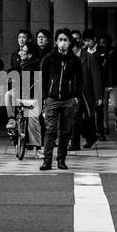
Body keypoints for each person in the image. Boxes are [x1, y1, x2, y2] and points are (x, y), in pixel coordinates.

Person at [39, 30, 82, 171]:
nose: (63, 42)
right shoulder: (48, 58)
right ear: (56, 41)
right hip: (52, 99)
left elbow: (80, 80)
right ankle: (47, 161)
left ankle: (61, 160)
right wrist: (45, 97)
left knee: (65, 131)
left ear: (69, 42)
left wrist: (76, 96)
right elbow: (43, 79)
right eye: (60, 39)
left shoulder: (74, 60)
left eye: (65, 39)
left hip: (68, 100)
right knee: (50, 130)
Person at [76, 31, 102, 150]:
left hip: (86, 93)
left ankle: (90, 136)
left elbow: (95, 77)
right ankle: (75, 142)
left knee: (88, 118)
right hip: (73, 94)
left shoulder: (89, 57)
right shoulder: (66, 58)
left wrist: (98, 96)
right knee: (75, 118)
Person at [98, 35, 117, 135]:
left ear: (109, 43)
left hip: (115, 84)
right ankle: (105, 126)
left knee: (116, 105)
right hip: (102, 84)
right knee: (104, 107)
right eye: (101, 42)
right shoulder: (98, 54)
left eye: (104, 42)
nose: (102, 44)